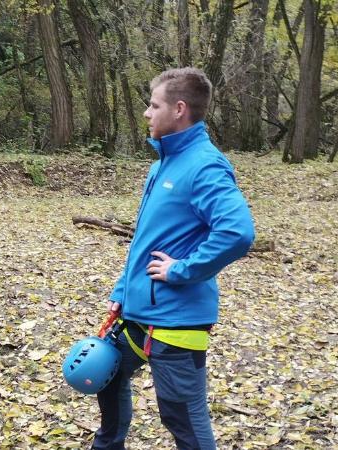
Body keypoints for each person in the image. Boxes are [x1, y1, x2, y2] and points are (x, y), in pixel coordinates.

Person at [94, 68, 255, 450]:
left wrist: (181, 270)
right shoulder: (161, 163)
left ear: (179, 109)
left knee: (182, 420)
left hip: (176, 323)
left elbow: (238, 232)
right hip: (138, 313)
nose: (148, 114)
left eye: (154, 105)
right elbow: (147, 242)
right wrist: (123, 291)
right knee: (105, 375)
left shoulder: (204, 165)